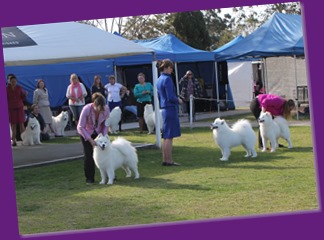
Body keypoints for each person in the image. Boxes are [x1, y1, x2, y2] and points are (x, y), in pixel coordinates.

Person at [77, 92, 110, 184]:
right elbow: (80, 127)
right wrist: (90, 139)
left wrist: (104, 136)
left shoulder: (106, 109)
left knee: (105, 152)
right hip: (86, 132)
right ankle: (90, 178)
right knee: (89, 155)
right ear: (95, 105)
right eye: (100, 109)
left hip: (99, 132)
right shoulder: (86, 109)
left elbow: (106, 124)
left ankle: (110, 175)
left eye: (103, 108)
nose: (102, 111)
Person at [156, 59, 182, 166]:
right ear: (166, 68)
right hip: (170, 108)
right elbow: (170, 96)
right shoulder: (167, 79)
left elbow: (160, 96)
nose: (172, 70)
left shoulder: (159, 79)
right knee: (169, 136)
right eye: (171, 68)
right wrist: (178, 100)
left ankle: (165, 159)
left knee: (166, 136)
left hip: (164, 108)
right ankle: (169, 160)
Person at [6, 75, 28, 146]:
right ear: (9, 81)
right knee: (13, 125)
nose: (14, 83)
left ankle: (25, 140)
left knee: (21, 124)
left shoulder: (19, 88)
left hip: (19, 107)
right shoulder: (6, 89)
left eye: (15, 81)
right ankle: (13, 140)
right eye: (12, 81)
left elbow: (22, 97)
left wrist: (25, 95)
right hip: (11, 108)